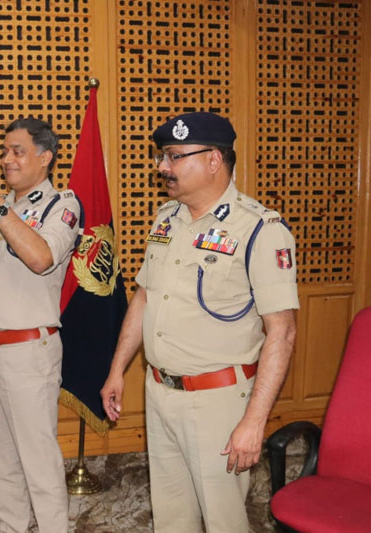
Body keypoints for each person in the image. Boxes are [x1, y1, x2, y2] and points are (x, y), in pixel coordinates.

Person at [100, 112, 298, 533]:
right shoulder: (166, 219)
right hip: (160, 392)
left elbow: (282, 333)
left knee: (225, 522)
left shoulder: (259, 229)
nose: (162, 166)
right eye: (162, 157)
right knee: (171, 519)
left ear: (213, 160)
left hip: (218, 403)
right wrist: (118, 369)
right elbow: (144, 297)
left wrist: (254, 421)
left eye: (174, 156)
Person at [0, 118, 82, 532]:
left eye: (18, 151)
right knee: (3, 460)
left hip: (30, 351)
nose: (6, 159)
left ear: (45, 158)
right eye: (4, 151)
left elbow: (40, 257)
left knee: (38, 461)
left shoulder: (61, 205)